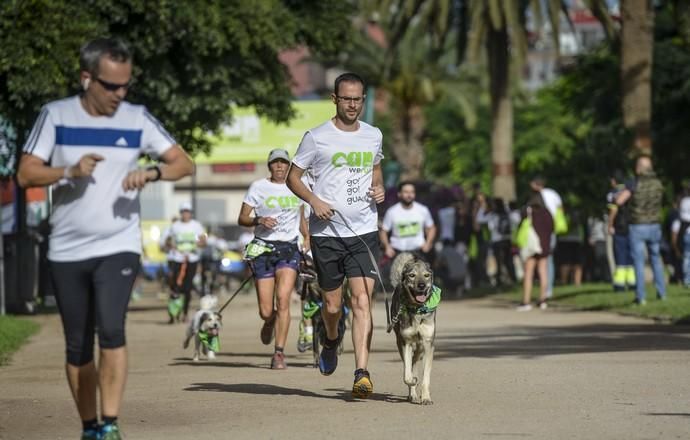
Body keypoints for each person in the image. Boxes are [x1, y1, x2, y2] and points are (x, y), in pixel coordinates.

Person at [16, 38, 194, 439]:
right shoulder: (55, 115)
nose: (120, 94)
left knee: (112, 329)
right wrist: (68, 170)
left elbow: (184, 162)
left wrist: (151, 172)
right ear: (86, 78)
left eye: (126, 85)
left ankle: (110, 423)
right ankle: (89, 426)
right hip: (67, 247)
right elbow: (26, 173)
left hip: (119, 243)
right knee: (77, 343)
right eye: (111, 86)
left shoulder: (135, 118)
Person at [286, 72, 385, 398]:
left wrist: (379, 187)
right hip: (326, 234)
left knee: (361, 301)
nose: (353, 104)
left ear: (363, 101)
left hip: (364, 231)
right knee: (332, 305)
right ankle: (330, 339)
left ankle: (361, 372)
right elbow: (293, 177)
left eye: (358, 99)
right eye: (347, 99)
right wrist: (314, 201)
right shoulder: (316, 137)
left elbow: (375, 169)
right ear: (335, 99)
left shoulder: (373, 135)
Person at [238, 148, 309, 370]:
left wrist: (307, 238)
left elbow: (301, 219)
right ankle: (270, 321)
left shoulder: (297, 186)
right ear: (269, 166)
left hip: (289, 249)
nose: (279, 166)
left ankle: (279, 353)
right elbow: (242, 218)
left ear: (289, 166)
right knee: (266, 310)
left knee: (284, 299)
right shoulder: (258, 187)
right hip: (263, 249)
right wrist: (258, 220)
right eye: (275, 163)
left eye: (283, 163)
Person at [616, 155, 666, 305]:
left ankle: (641, 296)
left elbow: (620, 201)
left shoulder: (634, 182)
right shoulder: (658, 183)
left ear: (638, 168)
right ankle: (662, 293)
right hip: (655, 224)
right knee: (656, 259)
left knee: (638, 261)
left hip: (638, 225)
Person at [161, 202, 207, 323]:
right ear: (181, 213)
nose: (186, 214)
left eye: (188, 211)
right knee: (175, 287)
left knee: (187, 287)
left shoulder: (196, 226)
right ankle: (173, 313)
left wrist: (199, 243)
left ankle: (185, 313)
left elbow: (203, 240)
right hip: (177, 259)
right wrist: (170, 245)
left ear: (191, 213)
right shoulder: (175, 226)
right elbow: (166, 240)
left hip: (191, 259)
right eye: (183, 212)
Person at [379, 181, 436, 261]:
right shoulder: (392, 211)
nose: (409, 195)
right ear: (399, 194)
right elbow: (384, 231)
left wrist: (428, 243)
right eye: (406, 192)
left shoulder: (423, 210)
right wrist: (387, 247)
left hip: (418, 253)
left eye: (412, 192)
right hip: (398, 253)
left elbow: (432, 228)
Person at [517, 191, 553, 311]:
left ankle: (526, 301)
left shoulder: (528, 212)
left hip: (532, 245)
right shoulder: (547, 213)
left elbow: (521, 225)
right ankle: (543, 300)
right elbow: (552, 228)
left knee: (529, 272)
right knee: (543, 272)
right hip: (544, 245)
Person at [530, 177, 563, 298]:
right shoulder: (554, 194)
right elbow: (560, 209)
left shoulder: (538, 196)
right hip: (551, 229)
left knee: (542, 261)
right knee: (548, 259)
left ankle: (545, 291)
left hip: (539, 230)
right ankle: (548, 289)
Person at [607, 170, 635, 291]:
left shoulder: (612, 193)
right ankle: (633, 282)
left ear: (613, 180)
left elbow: (613, 210)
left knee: (620, 255)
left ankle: (619, 284)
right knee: (631, 255)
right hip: (632, 226)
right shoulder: (631, 189)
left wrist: (610, 224)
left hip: (619, 227)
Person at [670, 188, 690, 288]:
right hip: (687, 231)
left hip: (686, 231)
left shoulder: (684, 202)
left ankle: (686, 280)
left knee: (686, 257)